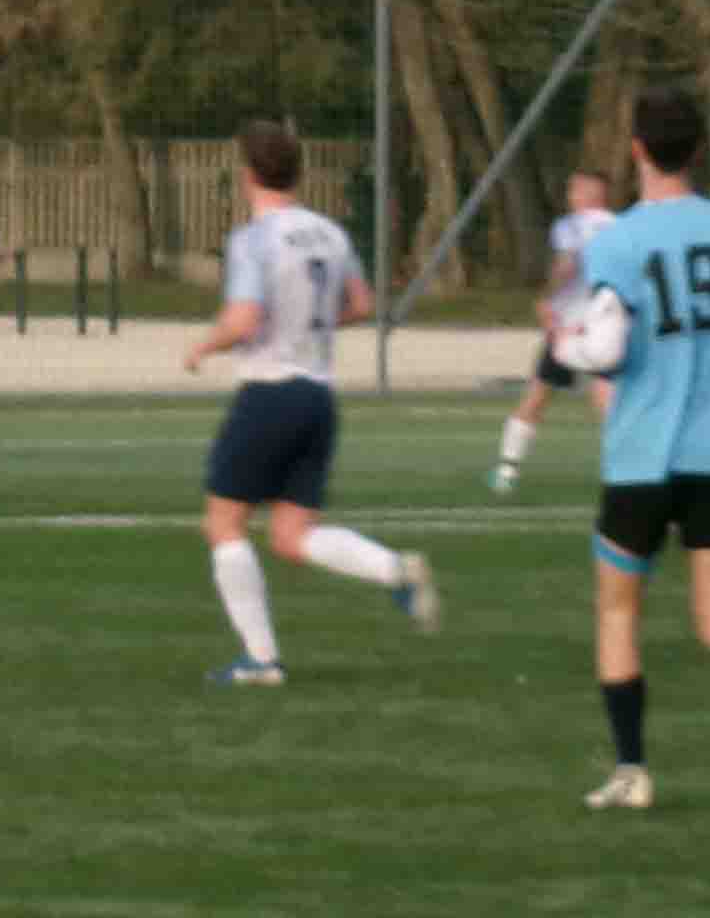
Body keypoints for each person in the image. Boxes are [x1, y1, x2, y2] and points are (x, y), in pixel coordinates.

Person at [557, 86, 710, 810]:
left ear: (637, 149)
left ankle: (632, 771)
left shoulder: (617, 240)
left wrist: (570, 347)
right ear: (698, 151)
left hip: (642, 455)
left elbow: (607, 345)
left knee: (617, 613)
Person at [184, 118, 438, 685]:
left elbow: (244, 319)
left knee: (223, 523)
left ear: (248, 174)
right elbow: (361, 303)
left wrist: (205, 345)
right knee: (292, 536)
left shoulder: (253, 239)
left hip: (270, 392)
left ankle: (261, 660)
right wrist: (311, 326)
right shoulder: (330, 234)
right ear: (296, 172)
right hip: (318, 398)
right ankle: (393, 570)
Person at [488, 167, 617, 492]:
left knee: (538, 395)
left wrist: (547, 298)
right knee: (606, 399)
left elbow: (567, 265)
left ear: (591, 193)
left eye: (575, 189)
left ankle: (507, 470)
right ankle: (625, 469)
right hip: (605, 325)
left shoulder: (570, 226)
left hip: (567, 326)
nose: (570, 196)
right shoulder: (622, 226)